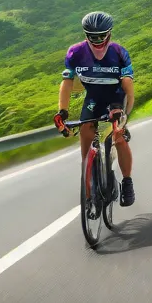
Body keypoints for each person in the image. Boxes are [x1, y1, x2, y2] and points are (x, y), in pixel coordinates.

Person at [58, 11, 136, 206]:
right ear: (86, 35)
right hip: (93, 99)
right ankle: (88, 186)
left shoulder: (119, 52)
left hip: (116, 98)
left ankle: (127, 182)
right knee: (85, 131)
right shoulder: (75, 53)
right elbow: (67, 82)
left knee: (117, 137)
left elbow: (128, 88)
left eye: (102, 36)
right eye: (93, 37)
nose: (98, 40)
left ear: (109, 33)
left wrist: (125, 114)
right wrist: (62, 112)